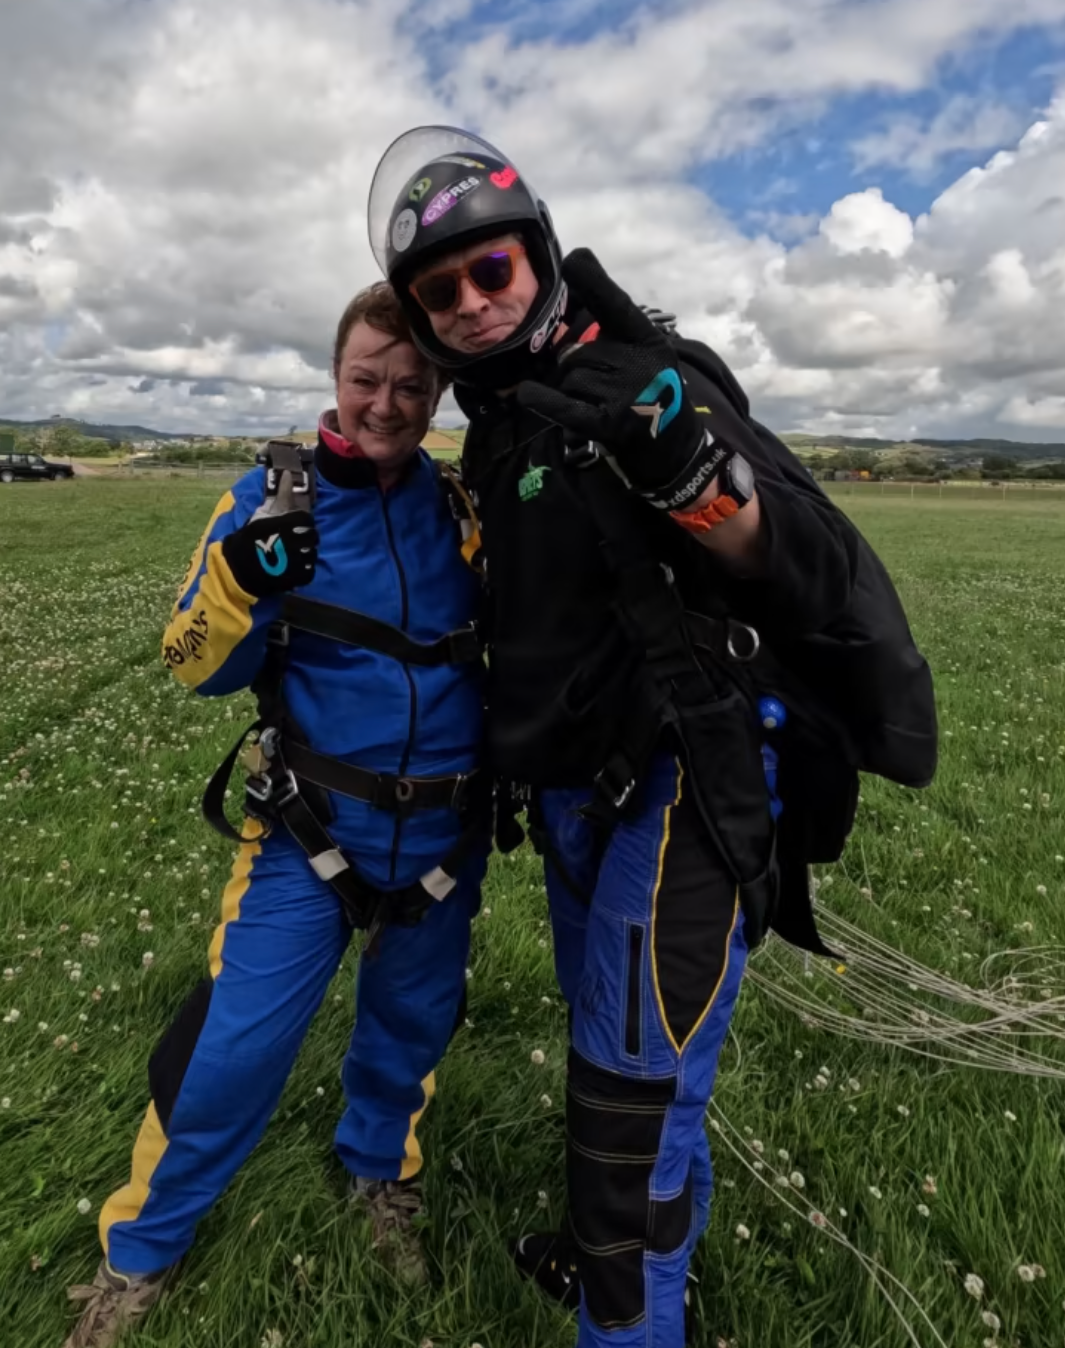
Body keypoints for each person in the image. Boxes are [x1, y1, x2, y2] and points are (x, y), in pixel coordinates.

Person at [367, 128, 936, 1348]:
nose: (472, 304)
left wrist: (685, 465)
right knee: (640, 1088)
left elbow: (792, 552)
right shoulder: (503, 425)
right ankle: (635, 1278)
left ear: (538, 260)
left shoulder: (650, 372)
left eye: (493, 273)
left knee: (624, 1135)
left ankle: (629, 1303)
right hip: (578, 801)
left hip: (686, 788)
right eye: (442, 292)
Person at [63, 282, 488, 1348]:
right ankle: (139, 1254)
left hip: (444, 836)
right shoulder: (270, 496)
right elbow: (190, 666)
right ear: (333, 378)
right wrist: (241, 584)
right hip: (310, 836)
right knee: (231, 1054)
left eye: (410, 383)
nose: (387, 404)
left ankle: (378, 1172)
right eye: (365, 380)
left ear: (436, 386)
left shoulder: (463, 512)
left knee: (411, 1028)